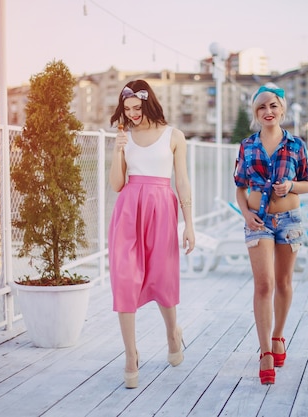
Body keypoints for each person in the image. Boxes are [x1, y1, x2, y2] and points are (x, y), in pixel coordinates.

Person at [108, 79, 195, 389]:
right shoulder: (124, 136)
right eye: (127, 108)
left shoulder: (174, 136)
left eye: (136, 108)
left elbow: (182, 181)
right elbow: (117, 184)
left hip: (161, 208)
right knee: (124, 278)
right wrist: (118, 152)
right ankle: (130, 354)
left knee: (162, 276)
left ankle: (173, 333)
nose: (132, 114)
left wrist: (189, 224)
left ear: (148, 103)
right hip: (129, 209)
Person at [233, 83, 308, 385]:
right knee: (264, 283)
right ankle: (266, 351)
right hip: (258, 221)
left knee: (284, 282)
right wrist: (246, 213)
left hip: (290, 219)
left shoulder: (295, 145)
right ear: (256, 113)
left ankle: (279, 335)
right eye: (262, 107)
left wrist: (290, 186)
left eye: (273, 106)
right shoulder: (247, 145)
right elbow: (240, 186)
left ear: (282, 109)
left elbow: (307, 182)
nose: (268, 111)